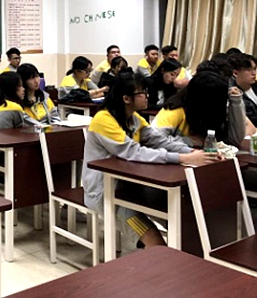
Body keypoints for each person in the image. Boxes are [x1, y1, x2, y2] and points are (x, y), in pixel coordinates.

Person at [83, 72, 217, 248]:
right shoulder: (103, 119)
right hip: (105, 191)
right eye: (142, 93)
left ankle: (186, 257)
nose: (147, 96)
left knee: (183, 217)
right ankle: (160, 262)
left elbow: (160, 141)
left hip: (132, 184)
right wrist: (182, 158)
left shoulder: (134, 118)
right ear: (126, 99)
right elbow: (134, 152)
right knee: (154, 240)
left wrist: (194, 153)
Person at [151, 71, 245, 148]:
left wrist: (236, 101)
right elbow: (152, 140)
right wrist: (188, 141)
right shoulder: (174, 110)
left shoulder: (216, 111)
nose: (222, 104)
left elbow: (235, 141)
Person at [230, 53, 257, 126]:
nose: (254, 73)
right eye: (249, 70)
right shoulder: (235, 96)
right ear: (235, 73)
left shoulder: (255, 86)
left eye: (254, 69)